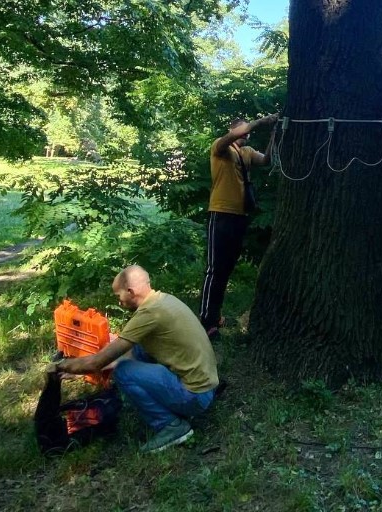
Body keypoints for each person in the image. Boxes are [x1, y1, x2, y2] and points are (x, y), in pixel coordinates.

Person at [47, 265, 219, 453]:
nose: (119, 302)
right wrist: (82, 371)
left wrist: (61, 365)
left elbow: (97, 362)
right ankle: (170, 405)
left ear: (130, 291)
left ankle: (170, 426)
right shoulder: (162, 301)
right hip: (206, 387)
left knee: (123, 372)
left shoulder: (148, 315)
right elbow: (124, 354)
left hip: (195, 397)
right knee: (136, 349)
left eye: (118, 296)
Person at [200, 114, 278, 339]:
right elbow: (232, 136)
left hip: (240, 216)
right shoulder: (221, 147)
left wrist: (273, 134)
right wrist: (260, 121)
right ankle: (206, 321)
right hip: (221, 214)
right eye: (243, 128)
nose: (247, 132)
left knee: (226, 270)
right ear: (233, 128)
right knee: (215, 269)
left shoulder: (247, 152)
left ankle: (215, 317)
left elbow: (267, 160)